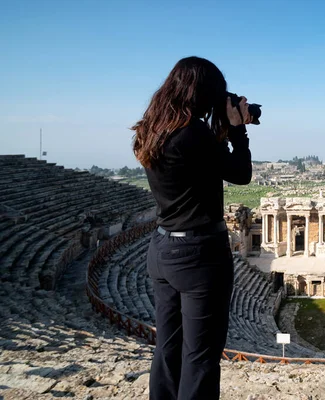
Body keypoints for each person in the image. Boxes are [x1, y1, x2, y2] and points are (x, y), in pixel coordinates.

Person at [131, 56, 253, 400]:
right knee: (200, 357)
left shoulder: (150, 129)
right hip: (199, 255)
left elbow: (194, 166)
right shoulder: (193, 133)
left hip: (162, 249)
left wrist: (218, 128)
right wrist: (237, 130)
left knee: (167, 351)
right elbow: (240, 173)